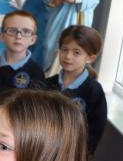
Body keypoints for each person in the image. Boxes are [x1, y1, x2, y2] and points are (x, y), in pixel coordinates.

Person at [45, 25, 107, 153]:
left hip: (73, 155)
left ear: (90, 58)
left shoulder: (94, 90)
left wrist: (83, 155)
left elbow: (96, 128)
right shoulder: (46, 84)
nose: (68, 56)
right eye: (64, 49)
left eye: (76, 52)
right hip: (44, 150)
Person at [0, 10, 46, 91]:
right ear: (2, 36)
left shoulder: (37, 72)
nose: (18, 36)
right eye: (12, 30)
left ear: (33, 39)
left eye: (26, 31)